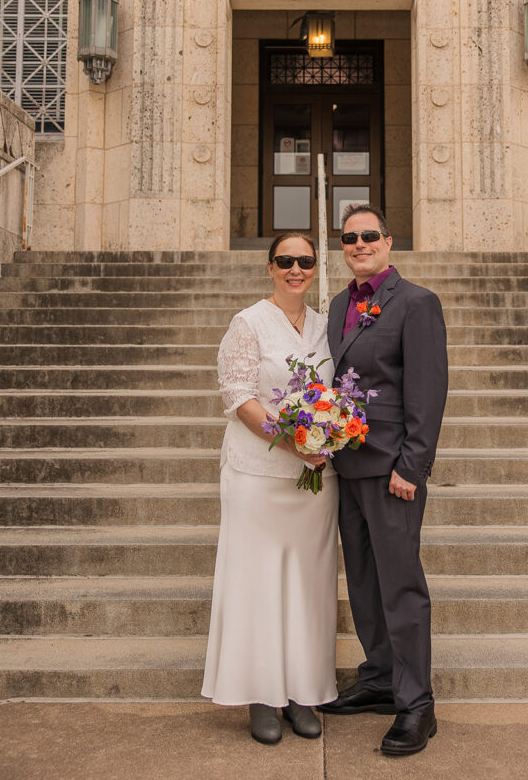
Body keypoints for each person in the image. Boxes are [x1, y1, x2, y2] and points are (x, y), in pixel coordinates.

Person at [201, 233, 339, 744]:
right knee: (257, 585)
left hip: (314, 485)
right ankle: (261, 696)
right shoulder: (248, 323)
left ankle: (303, 693)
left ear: (315, 267)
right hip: (257, 476)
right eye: (286, 261)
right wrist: (292, 442)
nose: (296, 269)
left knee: (308, 586)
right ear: (270, 267)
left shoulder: (328, 327)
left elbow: (338, 394)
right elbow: (239, 396)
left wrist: (330, 434)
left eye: (305, 261)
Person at [321, 204, 447, 756]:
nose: (359, 244)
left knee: (400, 585)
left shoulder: (416, 303)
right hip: (348, 462)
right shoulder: (339, 304)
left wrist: (411, 466)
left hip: (393, 467)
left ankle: (417, 704)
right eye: (349, 238)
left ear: (389, 241)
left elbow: (427, 389)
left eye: (369, 235)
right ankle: (377, 678)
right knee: (365, 582)